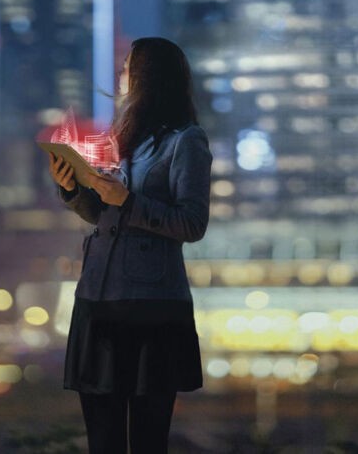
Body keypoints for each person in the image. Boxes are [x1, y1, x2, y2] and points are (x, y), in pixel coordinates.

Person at [48, 37, 211, 454]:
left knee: (148, 441)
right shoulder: (120, 138)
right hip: (98, 298)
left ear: (148, 77)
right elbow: (104, 215)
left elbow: (192, 223)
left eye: (128, 67)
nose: (121, 74)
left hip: (151, 306)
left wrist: (129, 201)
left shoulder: (185, 141)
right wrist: (74, 190)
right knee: (101, 441)